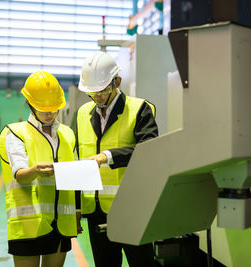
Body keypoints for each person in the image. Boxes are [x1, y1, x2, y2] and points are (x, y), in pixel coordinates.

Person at [75, 51, 158, 267]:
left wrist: (107, 157)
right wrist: (76, 208)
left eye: (102, 90)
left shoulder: (139, 109)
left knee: (142, 263)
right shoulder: (83, 113)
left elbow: (149, 150)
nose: (97, 97)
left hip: (131, 208)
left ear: (117, 82)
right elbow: (79, 161)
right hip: (96, 212)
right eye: (91, 92)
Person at [0, 71, 82, 267]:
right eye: (43, 108)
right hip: (28, 225)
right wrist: (35, 170)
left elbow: (76, 176)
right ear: (29, 104)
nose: (49, 113)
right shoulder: (15, 133)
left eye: (54, 108)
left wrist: (78, 210)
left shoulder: (67, 134)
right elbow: (20, 175)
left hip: (61, 224)